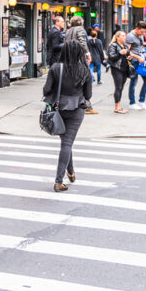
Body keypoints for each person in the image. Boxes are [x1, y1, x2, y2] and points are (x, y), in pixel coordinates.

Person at [42, 41, 93, 191]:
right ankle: (58, 181)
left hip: (58, 109)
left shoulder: (56, 68)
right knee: (67, 143)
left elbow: (46, 90)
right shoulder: (84, 70)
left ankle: (70, 172)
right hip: (77, 109)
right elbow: (88, 95)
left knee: (66, 142)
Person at [126, 21, 146, 109]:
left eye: (144, 32)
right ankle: (132, 103)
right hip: (134, 61)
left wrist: (144, 44)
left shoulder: (139, 36)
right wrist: (137, 57)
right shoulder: (130, 36)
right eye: (142, 31)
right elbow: (127, 51)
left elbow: (137, 46)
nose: (143, 33)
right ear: (137, 28)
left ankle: (141, 101)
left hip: (141, 61)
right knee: (133, 82)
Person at [105, 31, 130, 114]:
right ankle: (117, 107)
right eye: (122, 36)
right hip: (116, 68)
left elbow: (127, 55)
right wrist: (120, 53)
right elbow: (111, 57)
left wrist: (129, 57)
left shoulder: (125, 46)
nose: (124, 37)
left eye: (125, 36)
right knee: (118, 87)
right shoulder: (113, 45)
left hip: (124, 68)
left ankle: (119, 105)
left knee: (121, 87)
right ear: (117, 37)